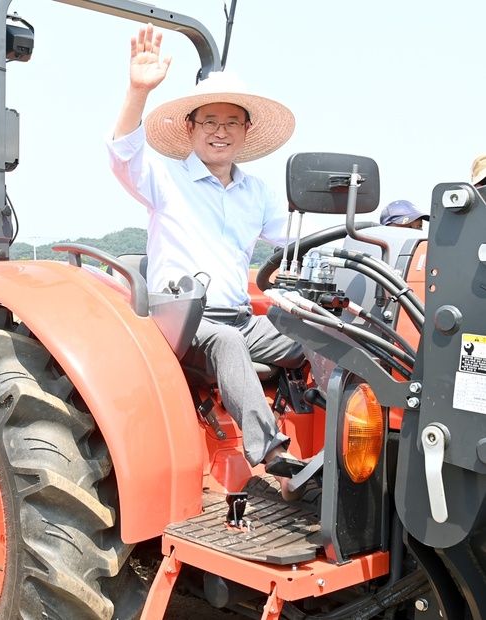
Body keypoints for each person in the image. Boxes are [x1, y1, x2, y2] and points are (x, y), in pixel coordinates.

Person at [106, 24, 305, 499]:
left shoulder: (256, 192)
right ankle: (276, 458)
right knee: (228, 341)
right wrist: (138, 91)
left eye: (232, 122)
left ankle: (349, 446)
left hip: (239, 315)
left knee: (320, 334)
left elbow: (300, 235)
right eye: (210, 121)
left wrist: (380, 226)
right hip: (182, 320)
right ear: (191, 128)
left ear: (245, 131)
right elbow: (121, 156)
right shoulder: (164, 178)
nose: (221, 131)